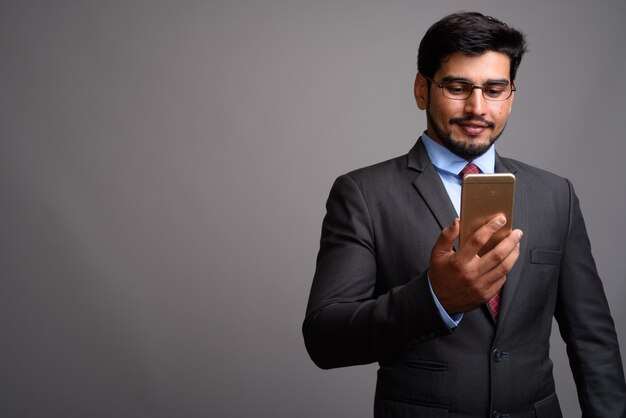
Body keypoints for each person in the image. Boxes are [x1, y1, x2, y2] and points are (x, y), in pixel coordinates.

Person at [303, 11, 626, 418]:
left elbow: (593, 340)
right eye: (458, 87)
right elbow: (324, 338)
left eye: (495, 90)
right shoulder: (363, 194)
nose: (477, 107)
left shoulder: (555, 194)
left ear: (511, 96)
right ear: (423, 89)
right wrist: (434, 299)